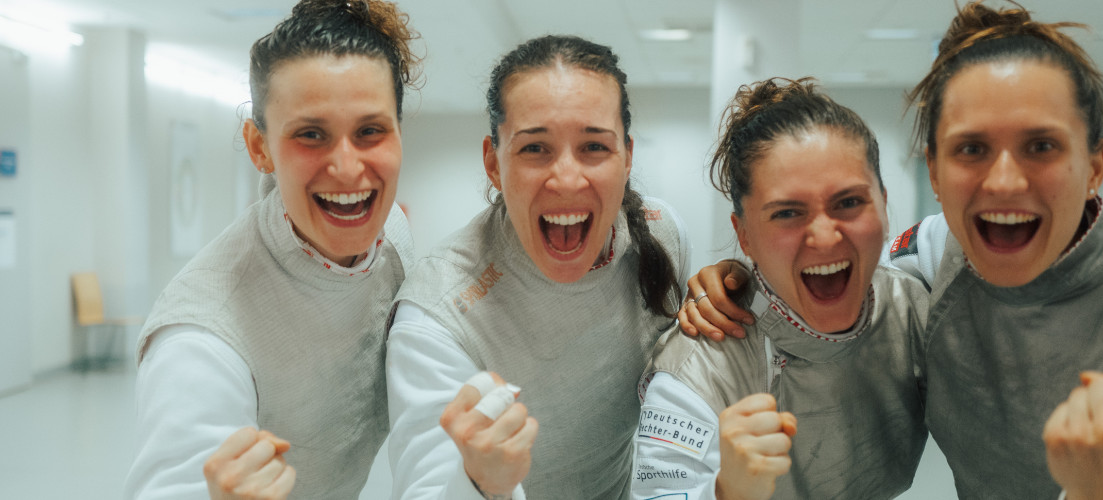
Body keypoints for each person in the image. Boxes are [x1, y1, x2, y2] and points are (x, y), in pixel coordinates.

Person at [682, 3, 1103, 499]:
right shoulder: (944, 250)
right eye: (972, 149)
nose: (1004, 182)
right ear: (935, 172)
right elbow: (850, 275)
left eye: (1041, 145)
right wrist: (743, 276)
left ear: (1095, 165)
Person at [122, 1, 421, 499]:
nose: (348, 168)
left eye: (370, 131)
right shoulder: (202, 336)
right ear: (260, 148)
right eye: (311, 135)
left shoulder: (394, 233)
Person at [385, 35, 688, 500]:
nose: (566, 179)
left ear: (627, 157)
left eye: (594, 146)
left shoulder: (661, 236)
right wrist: (480, 483)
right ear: (493, 163)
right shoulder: (438, 311)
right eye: (534, 149)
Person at [629, 78, 929, 500]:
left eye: (848, 202)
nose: (825, 236)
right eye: (787, 213)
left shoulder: (914, 310)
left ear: (883, 201)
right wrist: (726, 491)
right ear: (744, 235)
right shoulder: (701, 361)